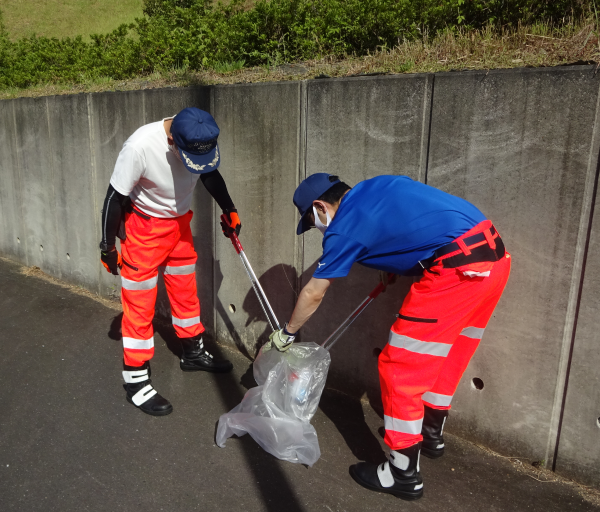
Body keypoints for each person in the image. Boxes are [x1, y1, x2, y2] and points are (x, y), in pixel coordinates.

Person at [268, 173, 511, 500]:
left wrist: (287, 332)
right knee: (448, 353)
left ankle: (402, 473)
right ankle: (430, 433)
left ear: (319, 206)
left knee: (400, 368)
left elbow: (313, 292)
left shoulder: (343, 226)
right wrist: (395, 264)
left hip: (455, 271)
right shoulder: (376, 188)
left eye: (312, 221)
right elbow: (411, 224)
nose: (318, 228)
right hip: (492, 258)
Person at [99, 107, 240, 417]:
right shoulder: (139, 147)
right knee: (140, 302)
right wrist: (108, 246)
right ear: (174, 141)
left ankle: (192, 351)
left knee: (184, 288)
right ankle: (135, 380)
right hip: (144, 228)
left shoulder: (198, 137)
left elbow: (209, 173)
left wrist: (229, 208)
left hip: (179, 225)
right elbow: (113, 197)